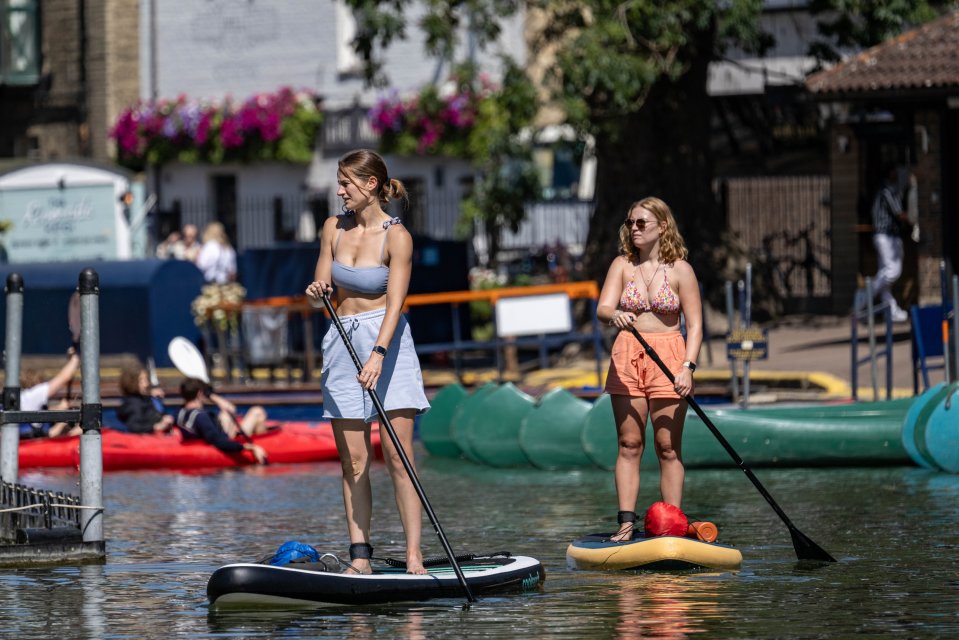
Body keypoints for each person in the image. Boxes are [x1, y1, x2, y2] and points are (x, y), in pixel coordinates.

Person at [305, 148, 431, 575]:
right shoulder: (332, 229)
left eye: (345, 183)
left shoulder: (397, 236)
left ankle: (414, 556)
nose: (340, 191)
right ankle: (361, 557)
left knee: (399, 456)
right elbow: (324, 279)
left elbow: (396, 302)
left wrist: (378, 352)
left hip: (388, 342)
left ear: (370, 184)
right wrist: (317, 290)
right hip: (342, 338)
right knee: (354, 461)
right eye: (339, 183)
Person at [596, 196, 703, 542]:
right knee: (629, 443)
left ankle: (672, 525)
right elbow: (603, 307)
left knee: (667, 446)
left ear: (663, 226)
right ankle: (627, 523)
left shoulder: (681, 270)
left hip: (670, 357)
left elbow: (696, 326)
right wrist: (615, 314)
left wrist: (688, 367)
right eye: (631, 223)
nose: (635, 229)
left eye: (642, 223)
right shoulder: (622, 265)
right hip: (628, 354)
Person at [176, 378, 268, 464]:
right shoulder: (201, 417)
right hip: (228, 441)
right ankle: (264, 443)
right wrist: (250, 447)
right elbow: (219, 442)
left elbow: (230, 410)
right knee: (257, 411)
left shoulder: (180, 413)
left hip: (211, 437)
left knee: (225, 414)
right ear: (200, 394)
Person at [870, 164, 910, 323]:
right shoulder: (887, 190)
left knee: (885, 275)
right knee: (892, 270)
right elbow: (899, 213)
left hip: (889, 236)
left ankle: (890, 309)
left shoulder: (890, 190)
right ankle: (865, 295)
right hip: (885, 236)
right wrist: (912, 217)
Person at [19, 347, 81, 439]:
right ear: (36, 384)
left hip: (35, 440)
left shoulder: (25, 398)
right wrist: (74, 359)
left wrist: (60, 407)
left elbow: (39, 412)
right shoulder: (33, 394)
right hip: (35, 444)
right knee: (79, 430)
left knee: (74, 429)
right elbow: (64, 377)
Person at [116, 359, 175, 434]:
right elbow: (134, 427)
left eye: (146, 380)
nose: (146, 384)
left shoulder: (144, 399)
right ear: (131, 382)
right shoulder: (133, 404)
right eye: (141, 381)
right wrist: (157, 426)